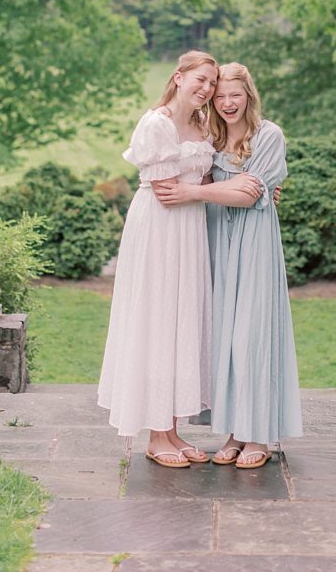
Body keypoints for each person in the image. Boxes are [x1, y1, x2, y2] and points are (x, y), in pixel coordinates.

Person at [97, 51, 264, 467]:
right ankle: (156, 437)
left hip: (191, 230)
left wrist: (251, 188)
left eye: (212, 83)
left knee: (182, 323)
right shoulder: (157, 123)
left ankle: (174, 430)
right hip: (160, 229)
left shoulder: (202, 124)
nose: (207, 89)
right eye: (200, 80)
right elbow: (170, 192)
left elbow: (207, 180)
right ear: (178, 77)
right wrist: (212, 190)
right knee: (159, 322)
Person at [153, 62, 303, 467]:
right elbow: (216, 184)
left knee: (251, 336)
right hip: (216, 241)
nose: (226, 102)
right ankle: (235, 433)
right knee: (223, 336)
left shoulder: (268, 135)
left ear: (249, 95)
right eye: (220, 96)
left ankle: (259, 436)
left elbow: (251, 195)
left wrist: (194, 191)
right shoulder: (212, 136)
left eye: (234, 94)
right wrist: (223, 187)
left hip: (254, 246)